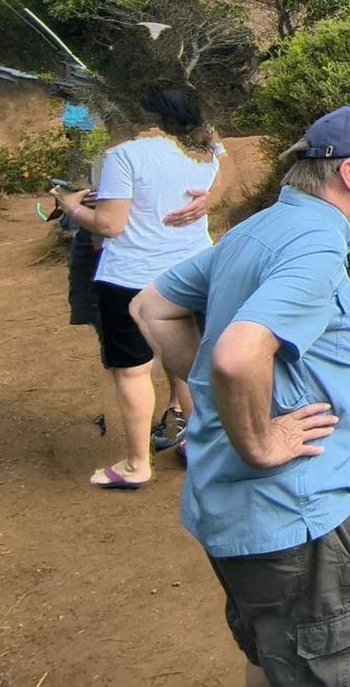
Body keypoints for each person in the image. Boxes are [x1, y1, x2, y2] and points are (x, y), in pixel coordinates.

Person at [129, 105, 350, 687]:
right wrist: (261, 440)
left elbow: (151, 306)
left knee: (269, 660)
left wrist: (214, 403)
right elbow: (239, 355)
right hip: (302, 526)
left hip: (235, 518)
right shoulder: (315, 244)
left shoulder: (258, 228)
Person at [53, 88, 223, 489]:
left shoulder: (124, 156)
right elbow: (221, 149)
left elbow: (111, 224)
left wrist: (70, 206)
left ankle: (136, 464)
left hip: (130, 276)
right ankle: (197, 445)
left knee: (132, 371)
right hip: (190, 271)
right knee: (189, 361)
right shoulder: (205, 154)